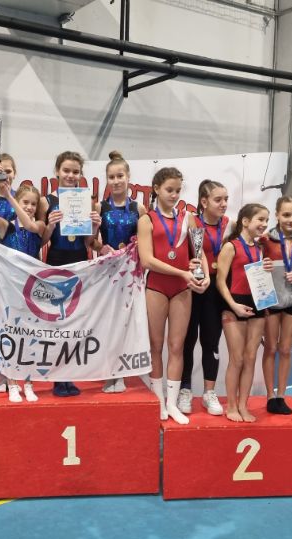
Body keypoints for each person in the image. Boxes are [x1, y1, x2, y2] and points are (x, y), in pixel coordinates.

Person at [137, 167, 209, 425]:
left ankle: (172, 402)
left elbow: (199, 253)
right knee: (156, 346)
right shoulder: (147, 220)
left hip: (182, 289)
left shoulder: (189, 218)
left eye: (178, 190)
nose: (174, 195)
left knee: (177, 347)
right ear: (156, 189)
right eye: (169, 190)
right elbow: (147, 260)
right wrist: (181, 272)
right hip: (157, 287)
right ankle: (159, 400)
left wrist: (205, 276)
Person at [0, 174, 45, 402]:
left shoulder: (39, 225)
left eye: (33, 204)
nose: (30, 207)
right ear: (18, 201)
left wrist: (10, 198)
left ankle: (29, 382)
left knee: (30, 336)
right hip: (9, 289)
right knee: (10, 334)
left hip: (31, 290)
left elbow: (30, 225)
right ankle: (12, 382)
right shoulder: (6, 226)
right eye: (26, 202)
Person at [41, 151, 101, 397]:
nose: (70, 175)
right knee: (58, 322)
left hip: (80, 262)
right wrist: (50, 225)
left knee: (77, 322)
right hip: (56, 261)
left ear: (81, 174)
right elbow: (41, 240)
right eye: (66, 170)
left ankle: (71, 376)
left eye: (75, 172)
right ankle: (58, 378)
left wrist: (95, 225)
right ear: (57, 171)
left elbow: (89, 242)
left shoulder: (87, 200)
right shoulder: (46, 201)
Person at [93, 150, 145, 394]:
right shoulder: (100, 206)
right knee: (108, 321)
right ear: (107, 179)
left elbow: (146, 242)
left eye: (120, 176)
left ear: (128, 177)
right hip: (107, 272)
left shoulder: (138, 208)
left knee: (126, 322)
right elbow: (90, 242)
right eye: (111, 177)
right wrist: (100, 246)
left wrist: (136, 247)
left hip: (131, 273)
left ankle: (121, 373)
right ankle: (108, 372)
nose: (116, 181)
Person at [179, 179, 231, 415]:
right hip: (194, 285)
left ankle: (209, 393)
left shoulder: (230, 224)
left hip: (215, 290)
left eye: (226, 199)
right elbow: (188, 253)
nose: (223, 204)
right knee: (188, 341)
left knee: (211, 342)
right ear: (204, 201)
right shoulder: (192, 221)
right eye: (218, 199)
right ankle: (185, 390)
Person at [217, 203, 272, 423]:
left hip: (257, 304)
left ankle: (243, 405)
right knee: (237, 359)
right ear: (246, 221)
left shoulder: (260, 249)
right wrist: (233, 305)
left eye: (267, 220)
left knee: (250, 358)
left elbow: (259, 280)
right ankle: (231, 405)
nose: (264, 224)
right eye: (261, 219)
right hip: (234, 304)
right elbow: (220, 282)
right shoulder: (231, 247)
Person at [260, 196, 292, 415]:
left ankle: (281, 395)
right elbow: (252, 265)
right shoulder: (265, 239)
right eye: (286, 215)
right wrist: (261, 265)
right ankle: (269, 395)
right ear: (277, 215)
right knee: (270, 348)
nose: (291, 219)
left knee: (285, 349)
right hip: (271, 301)